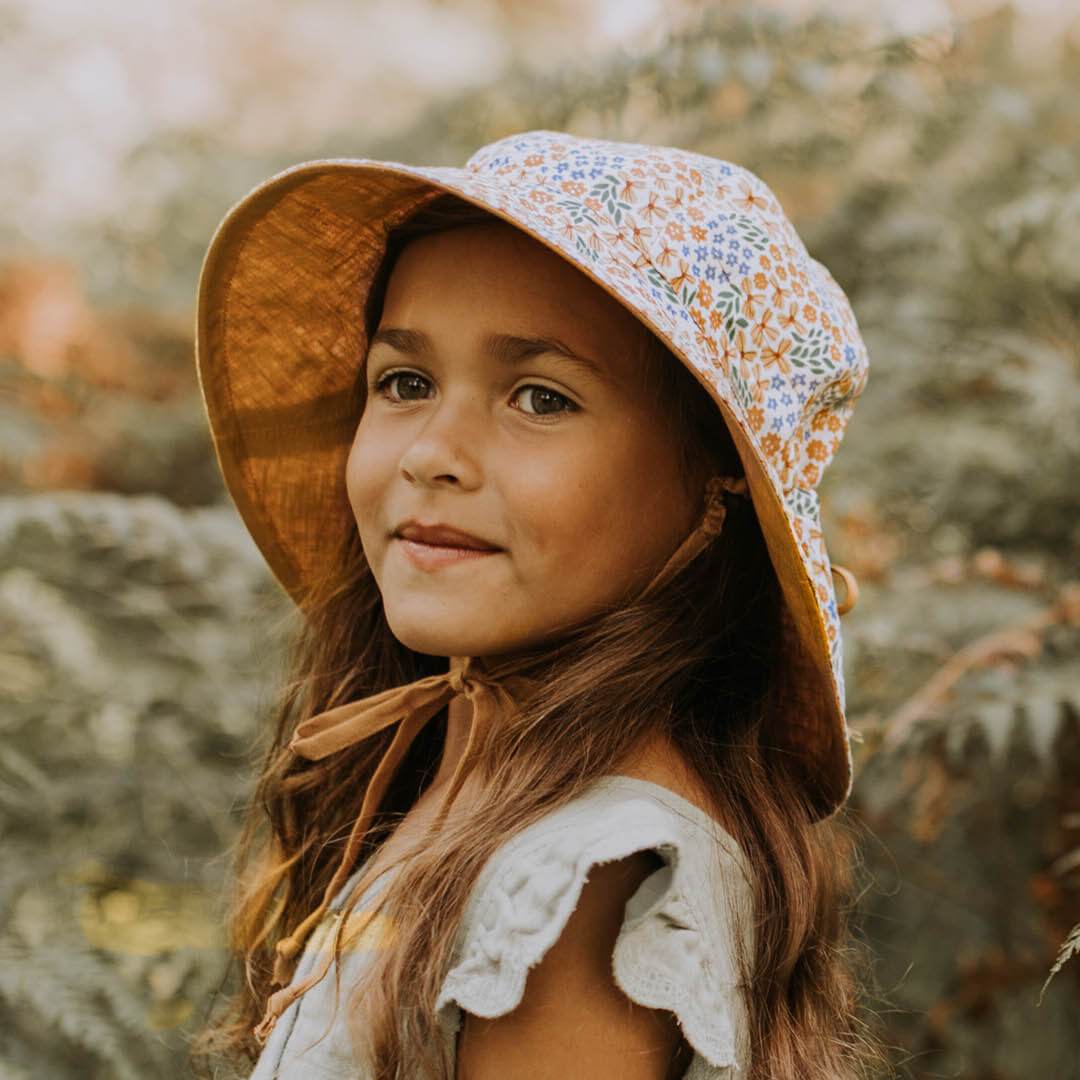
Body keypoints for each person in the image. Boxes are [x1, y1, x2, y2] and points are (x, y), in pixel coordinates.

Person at [192, 131, 886, 1079]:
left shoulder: (579, 888)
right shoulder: (484, 779)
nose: (431, 452)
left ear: (719, 472)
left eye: (541, 398)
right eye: (404, 382)